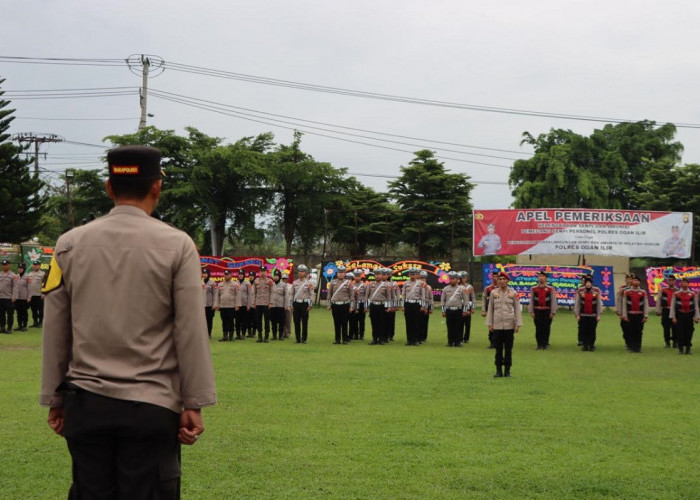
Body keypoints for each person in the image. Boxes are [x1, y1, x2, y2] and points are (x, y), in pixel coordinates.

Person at [40, 145, 216, 498]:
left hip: (86, 403)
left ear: (109, 187)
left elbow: (56, 328)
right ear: (157, 187)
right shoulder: (178, 245)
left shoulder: (68, 244)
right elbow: (191, 330)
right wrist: (193, 402)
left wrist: (54, 398)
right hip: (151, 405)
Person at [486, 272, 522, 377]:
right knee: (498, 350)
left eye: (504, 279)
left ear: (507, 281)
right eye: (500, 279)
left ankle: (507, 371)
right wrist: (490, 323)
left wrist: (518, 324)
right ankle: (498, 371)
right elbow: (490, 309)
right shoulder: (493, 293)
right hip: (497, 325)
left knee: (508, 349)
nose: (501, 281)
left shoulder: (513, 293)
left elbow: (517, 310)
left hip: (509, 325)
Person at [527, 270, 557, 350]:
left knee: (546, 327)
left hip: (547, 311)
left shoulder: (550, 289)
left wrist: (553, 311)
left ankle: (545, 344)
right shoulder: (534, 288)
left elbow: (553, 300)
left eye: (543, 276)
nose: (541, 278)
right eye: (540, 276)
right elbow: (531, 300)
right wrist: (531, 311)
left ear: (546, 278)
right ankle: (539, 344)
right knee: (538, 328)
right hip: (537, 311)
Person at [670, 277, 699, 355]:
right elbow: (672, 306)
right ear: (680, 284)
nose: (685, 284)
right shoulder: (676, 294)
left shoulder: (692, 294)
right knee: (680, 332)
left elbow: (696, 306)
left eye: (686, 282)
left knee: (689, 332)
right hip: (680, 315)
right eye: (683, 282)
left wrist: (697, 317)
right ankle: (681, 349)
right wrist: (673, 317)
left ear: (688, 284)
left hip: (689, 315)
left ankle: (688, 349)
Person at [621, 274, 649, 353]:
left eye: (637, 281)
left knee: (639, 331)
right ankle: (631, 347)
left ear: (640, 282)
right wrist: (624, 315)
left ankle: (638, 347)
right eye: (634, 280)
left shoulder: (643, 292)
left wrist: (645, 315)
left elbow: (646, 304)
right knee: (630, 331)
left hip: (639, 315)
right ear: (632, 282)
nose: (636, 282)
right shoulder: (627, 292)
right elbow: (624, 305)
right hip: (630, 315)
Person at [574, 275, 603, 351]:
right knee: (584, 330)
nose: (588, 284)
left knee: (592, 331)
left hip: (593, 315)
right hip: (583, 315)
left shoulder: (596, 292)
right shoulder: (580, 292)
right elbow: (577, 304)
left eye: (589, 282)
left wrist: (599, 314)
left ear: (592, 283)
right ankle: (585, 345)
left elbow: (599, 304)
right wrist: (577, 314)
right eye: (587, 282)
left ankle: (591, 345)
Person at [441, 271, 469, 347]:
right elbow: (443, 301)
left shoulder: (462, 288)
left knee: (458, 327)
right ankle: (450, 342)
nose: (451, 280)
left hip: (458, 310)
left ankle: (457, 342)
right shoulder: (445, 289)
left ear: (457, 280)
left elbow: (466, 300)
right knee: (450, 327)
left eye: (453, 279)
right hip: (449, 310)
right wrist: (443, 311)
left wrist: (465, 310)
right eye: (450, 278)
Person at [327, 265, 353, 344]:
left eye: (342, 272)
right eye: (339, 272)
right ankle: (337, 339)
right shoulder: (332, 282)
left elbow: (351, 295)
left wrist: (352, 306)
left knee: (344, 322)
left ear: (345, 273)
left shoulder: (348, 283)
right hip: (335, 305)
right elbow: (329, 294)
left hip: (345, 305)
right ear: (337, 273)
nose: (340, 274)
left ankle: (344, 339)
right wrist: (328, 305)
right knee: (336, 322)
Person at [402, 268, 428, 346]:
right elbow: (403, 295)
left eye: (414, 274)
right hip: (408, 304)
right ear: (409, 275)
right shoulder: (406, 283)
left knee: (416, 322)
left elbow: (422, 295)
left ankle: (415, 340)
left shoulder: (421, 283)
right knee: (408, 322)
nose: (412, 276)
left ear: (417, 275)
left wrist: (423, 305)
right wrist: (403, 305)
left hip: (416, 304)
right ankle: (409, 340)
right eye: (411, 274)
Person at [367, 268, 391, 345]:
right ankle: (374, 339)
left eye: (379, 274)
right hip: (373, 305)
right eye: (376, 274)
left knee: (382, 323)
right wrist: (366, 307)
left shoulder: (386, 285)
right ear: (374, 275)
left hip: (382, 305)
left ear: (382, 275)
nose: (377, 276)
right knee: (374, 323)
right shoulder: (370, 284)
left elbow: (388, 297)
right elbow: (366, 296)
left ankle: (381, 339)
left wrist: (389, 307)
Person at [291, 264, 315, 343]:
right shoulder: (294, 283)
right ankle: (297, 338)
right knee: (296, 321)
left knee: (304, 322)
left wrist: (310, 304)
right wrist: (291, 304)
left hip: (305, 304)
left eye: (302, 271)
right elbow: (291, 294)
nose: (301, 273)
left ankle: (304, 338)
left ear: (305, 273)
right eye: (299, 271)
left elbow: (312, 294)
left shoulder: (309, 283)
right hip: (296, 304)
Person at [216, 269, 241, 341]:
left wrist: (237, 305)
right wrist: (217, 305)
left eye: (227, 274)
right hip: (223, 306)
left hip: (231, 306)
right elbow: (217, 295)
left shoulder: (235, 284)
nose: (226, 276)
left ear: (231, 275)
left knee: (231, 321)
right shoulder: (220, 284)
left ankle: (231, 336)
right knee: (224, 321)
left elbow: (238, 295)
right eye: (225, 274)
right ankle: (225, 336)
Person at [251, 267, 274, 343]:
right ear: (259, 272)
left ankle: (266, 336)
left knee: (267, 320)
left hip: (266, 303)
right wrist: (253, 302)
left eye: (264, 271)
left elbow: (272, 293)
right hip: (258, 303)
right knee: (258, 320)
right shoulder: (256, 281)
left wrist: (271, 302)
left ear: (266, 272)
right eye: (261, 271)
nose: (262, 273)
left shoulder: (270, 281)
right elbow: (253, 293)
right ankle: (260, 335)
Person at [655, 274, 678, 348]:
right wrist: (658, 310)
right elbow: (659, 300)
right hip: (666, 310)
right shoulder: (663, 290)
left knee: (675, 327)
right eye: (669, 280)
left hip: (675, 311)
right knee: (666, 327)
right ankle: (667, 342)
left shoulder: (677, 291)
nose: (670, 282)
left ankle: (675, 342)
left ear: (675, 281)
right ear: (667, 281)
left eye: (672, 280)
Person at [481, 270, 500, 348]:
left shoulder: (502, 288)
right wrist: (483, 310)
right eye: (494, 276)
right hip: (490, 310)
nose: (495, 278)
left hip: (499, 310)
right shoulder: (488, 288)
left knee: (499, 326)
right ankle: (492, 342)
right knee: (491, 326)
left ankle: (499, 342)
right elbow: (484, 299)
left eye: (496, 277)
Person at [270, 270, 290, 340]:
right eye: (275, 276)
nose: (275, 277)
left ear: (280, 277)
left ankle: (280, 336)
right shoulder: (271, 284)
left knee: (281, 322)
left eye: (277, 276)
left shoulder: (284, 285)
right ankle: (274, 335)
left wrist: (286, 305)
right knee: (273, 322)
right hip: (273, 305)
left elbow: (286, 296)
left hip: (281, 306)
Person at [349, 270, 367, 341]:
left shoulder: (364, 285)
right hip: (354, 304)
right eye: (355, 276)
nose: (357, 278)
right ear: (354, 276)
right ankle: (355, 334)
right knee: (354, 320)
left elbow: (366, 296)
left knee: (362, 320)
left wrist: (366, 306)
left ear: (361, 276)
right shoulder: (351, 285)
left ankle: (361, 335)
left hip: (361, 303)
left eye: (358, 276)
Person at [27, 259, 45, 327]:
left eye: (36, 265)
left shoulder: (43, 274)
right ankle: (35, 322)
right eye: (34, 265)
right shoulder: (30, 274)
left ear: (39, 266)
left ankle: (40, 322)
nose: (35, 266)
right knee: (33, 310)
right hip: (32, 295)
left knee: (40, 310)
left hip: (39, 295)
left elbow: (44, 284)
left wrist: (43, 293)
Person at [459, 271, 476, 343]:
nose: (462, 279)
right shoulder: (457, 287)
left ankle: (466, 338)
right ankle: (459, 337)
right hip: (459, 306)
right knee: (459, 323)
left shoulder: (470, 287)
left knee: (467, 323)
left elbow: (473, 297)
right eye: (461, 278)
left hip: (468, 306)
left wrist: (473, 308)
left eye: (464, 278)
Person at [12, 262, 29, 331]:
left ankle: (24, 325)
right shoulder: (15, 276)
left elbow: (29, 287)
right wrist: (13, 296)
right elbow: (13, 287)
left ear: (24, 269)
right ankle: (19, 325)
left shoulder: (27, 277)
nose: (20, 269)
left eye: (21, 268)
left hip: (24, 297)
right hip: (17, 297)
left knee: (24, 312)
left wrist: (29, 297)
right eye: (19, 268)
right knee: (18, 312)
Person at [0, 259, 16, 334]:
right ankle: (2, 327)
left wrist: (14, 297)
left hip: (9, 298)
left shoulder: (13, 275)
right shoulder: (0, 274)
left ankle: (9, 328)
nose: (4, 266)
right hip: (1, 297)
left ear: (9, 265)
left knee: (10, 314)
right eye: (3, 265)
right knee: (1, 314)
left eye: (6, 265)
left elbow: (15, 287)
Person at [418, 270, 434, 343]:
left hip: (426, 305)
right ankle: (418, 337)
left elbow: (431, 298)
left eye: (423, 278)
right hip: (418, 305)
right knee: (417, 322)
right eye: (420, 278)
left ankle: (424, 337)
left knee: (424, 322)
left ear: (426, 279)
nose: (422, 279)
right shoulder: (416, 286)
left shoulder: (429, 287)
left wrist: (431, 308)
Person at [201, 268, 217, 338]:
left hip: (209, 305)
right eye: (203, 273)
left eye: (205, 273)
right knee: (202, 321)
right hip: (202, 305)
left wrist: (214, 304)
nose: (204, 275)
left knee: (209, 320)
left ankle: (209, 334)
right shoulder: (200, 282)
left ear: (208, 274)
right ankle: (203, 334)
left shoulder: (212, 283)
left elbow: (215, 294)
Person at [281, 272, 293, 339]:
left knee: (288, 320)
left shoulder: (290, 286)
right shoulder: (279, 285)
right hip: (281, 305)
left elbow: (292, 296)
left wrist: (291, 305)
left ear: (287, 279)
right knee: (281, 320)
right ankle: (282, 333)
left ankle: (287, 333)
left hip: (288, 305)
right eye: (283, 279)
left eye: (285, 279)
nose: (284, 280)